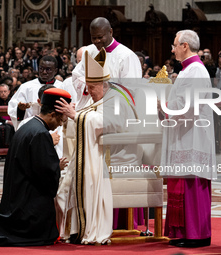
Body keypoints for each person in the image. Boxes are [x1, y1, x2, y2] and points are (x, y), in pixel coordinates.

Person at [0, 88, 72, 246]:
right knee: (41, 236)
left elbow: (33, 164)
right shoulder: (41, 134)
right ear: (52, 114)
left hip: (17, 197)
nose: (59, 125)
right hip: (28, 206)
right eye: (60, 120)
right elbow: (44, 173)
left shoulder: (28, 126)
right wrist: (57, 166)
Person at [55, 48, 138, 244]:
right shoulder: (101, 99)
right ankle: (75, 229)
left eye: (92, 88)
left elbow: (108, 123)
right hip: (99, 152)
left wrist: (77, 115)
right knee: (64, 187)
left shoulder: (117, 99)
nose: (88, 92)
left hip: (116, 155)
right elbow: (89, 119)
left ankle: (86, 229)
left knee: (81, 179)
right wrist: (73, 116)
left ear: (103, 84)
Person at [158, 30, 216, 248]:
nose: (172, 49)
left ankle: (196, 235)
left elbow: (190, 107)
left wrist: (163, 105)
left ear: (184, 45)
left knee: (190, 187)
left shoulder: (196, 71)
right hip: (183, 135)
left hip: (192, 138)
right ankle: (181, 233)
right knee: (181, 185)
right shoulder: (187, 71)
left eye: (174, 45)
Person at [72, 17, 142, 110]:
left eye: (100, 37)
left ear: (111, 32)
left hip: (113, 109)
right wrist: (91, 86)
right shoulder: (89, 51)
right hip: (89, 106)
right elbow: (77, 76)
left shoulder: (127, 56)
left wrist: (104, 90)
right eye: (94, 38)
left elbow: (131, 89)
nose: (97, 41)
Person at [8, 55, 62, 130]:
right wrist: (20, 110)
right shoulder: (26, 87)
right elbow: (13, 108)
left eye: (48, 69)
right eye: (41, 68)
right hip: (32, 128)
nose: (44, 72)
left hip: (56, 129)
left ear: (55, 71)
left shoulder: (62, 87)